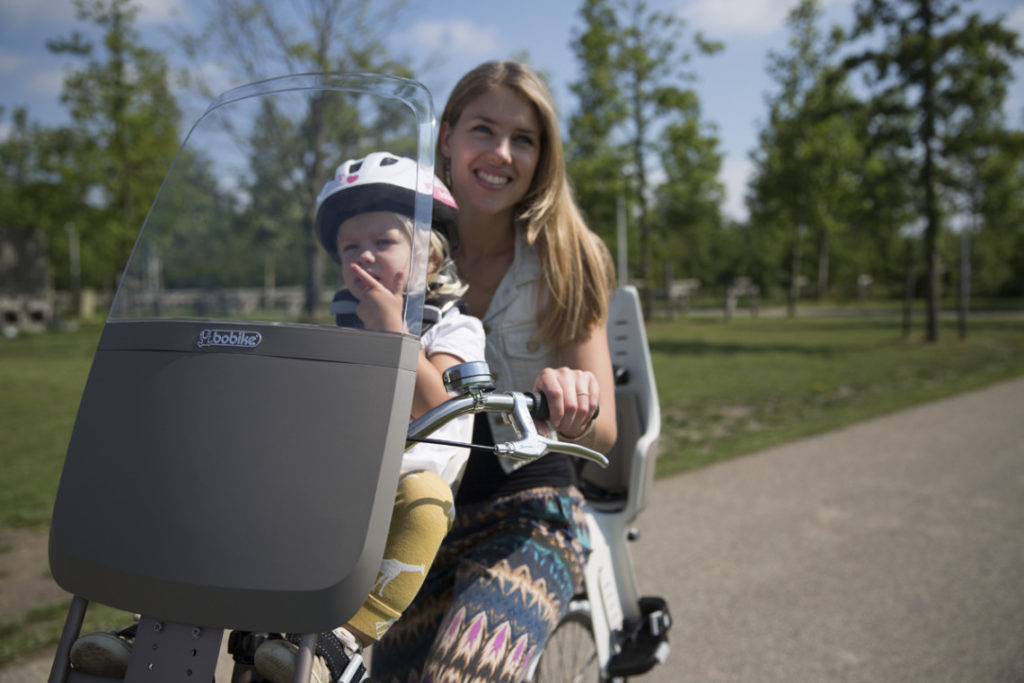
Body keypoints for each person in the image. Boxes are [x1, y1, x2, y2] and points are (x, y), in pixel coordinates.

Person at [68, 153, 486, 683]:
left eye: (383, 242)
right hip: (339, 477)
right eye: (350, 248)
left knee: (427, 508)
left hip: (406, 484)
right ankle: (160, 629)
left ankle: (337, 647)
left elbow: (437, 401)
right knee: (235, 492)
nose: (364, 257)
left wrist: (391, 333)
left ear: (429, 256)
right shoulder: (344, 328)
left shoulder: (454, 328)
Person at [370, 61, 617, 683]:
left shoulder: (568, 254)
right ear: (447, 136)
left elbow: (607, 431)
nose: (502, 153)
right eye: (484, 129)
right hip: (417, 518)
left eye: (524, 139)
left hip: (531, 512)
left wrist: (575, 398)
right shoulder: (390, 249)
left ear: (542, 155)